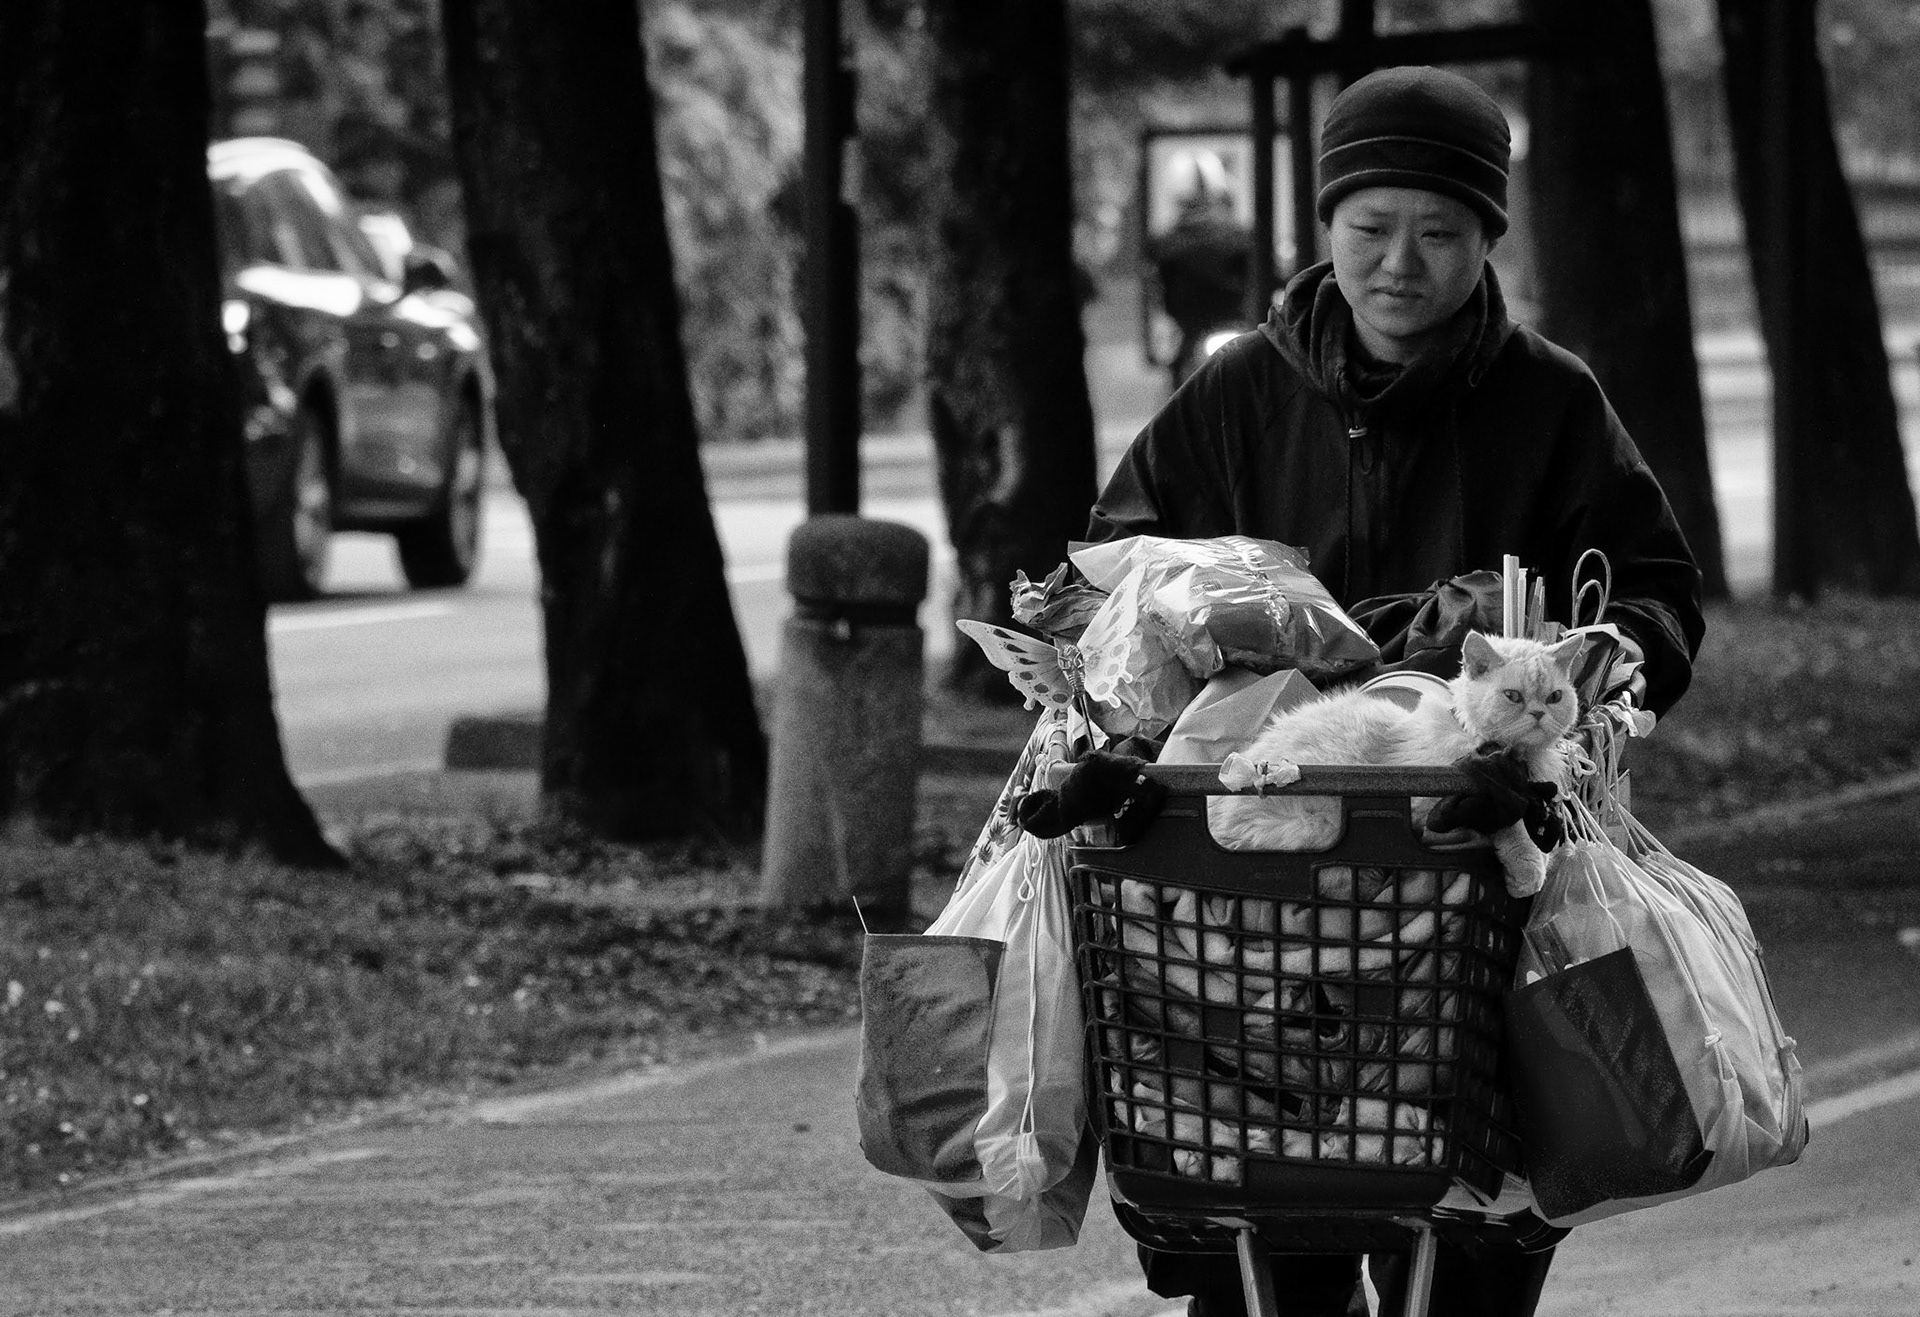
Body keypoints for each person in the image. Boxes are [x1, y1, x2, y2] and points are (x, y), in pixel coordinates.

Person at [1083, 65, 1706, 1317]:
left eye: (1440, 233)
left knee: (1480, 1231)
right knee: (1268, 1240)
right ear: (1326, 225)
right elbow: (1118, 572)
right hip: (1261, 887)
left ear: (1489, 238)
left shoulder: (1553, 399)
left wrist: (1597, 661)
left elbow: (1654, 597)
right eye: (1371, 227)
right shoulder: (1238, 392)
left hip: (1480, 884)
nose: (1400, 264)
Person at [1148, 149, 1253, 388]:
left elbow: (1162, 293)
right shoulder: (1240, 235)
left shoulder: (1166, 243)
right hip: (1227, 328)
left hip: (1206, 330)